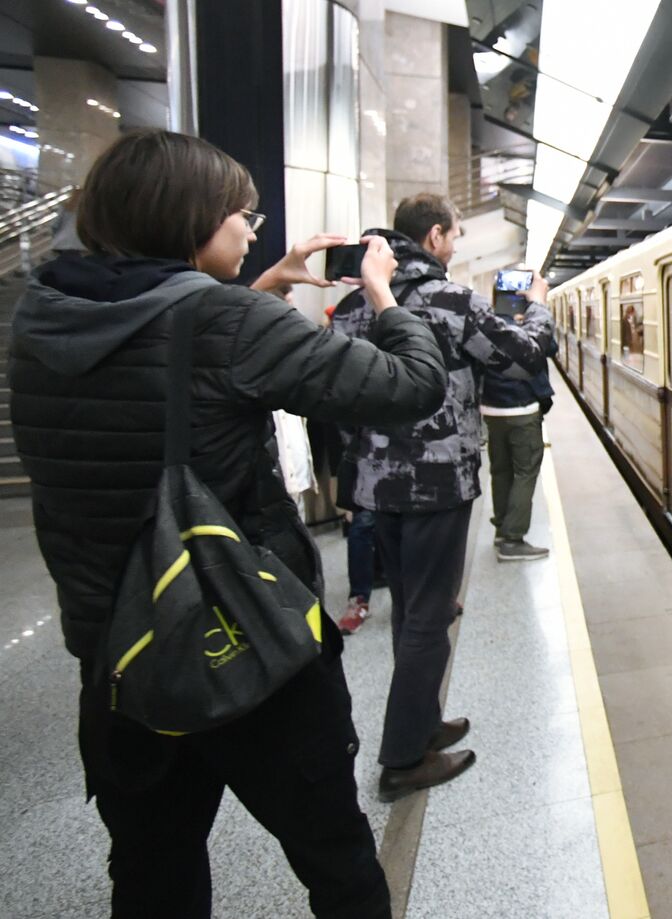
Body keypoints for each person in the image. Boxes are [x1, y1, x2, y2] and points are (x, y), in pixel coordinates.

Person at [6, 129, 447, 919]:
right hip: (247, 646)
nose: (253, 231)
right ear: (192, 219)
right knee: (338, 861)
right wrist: (383, 291)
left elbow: (164, 366)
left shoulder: (41, 324)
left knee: (151, 872)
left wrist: (258, 296)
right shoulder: (227, 322)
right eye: (243, 214)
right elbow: (412, 386)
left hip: (121, 652)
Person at [332, 193, 554, 801]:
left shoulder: (353, 307)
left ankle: (424, 723)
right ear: (433, 238)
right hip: (437, 484)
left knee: (410, 606)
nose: (456, 245)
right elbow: (525, 357)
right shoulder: (453, 302)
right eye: (453, 235)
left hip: (379, 487)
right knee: (431, 617)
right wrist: (537, 307)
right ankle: (403, 759)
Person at [482, 310, 558, 560]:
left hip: (492, 411)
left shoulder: (485, 328)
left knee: (500, 470)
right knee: (525, 472)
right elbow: (550, 346)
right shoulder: (527, 333)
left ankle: (501, 531)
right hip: (523, 410)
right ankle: (513, 539)